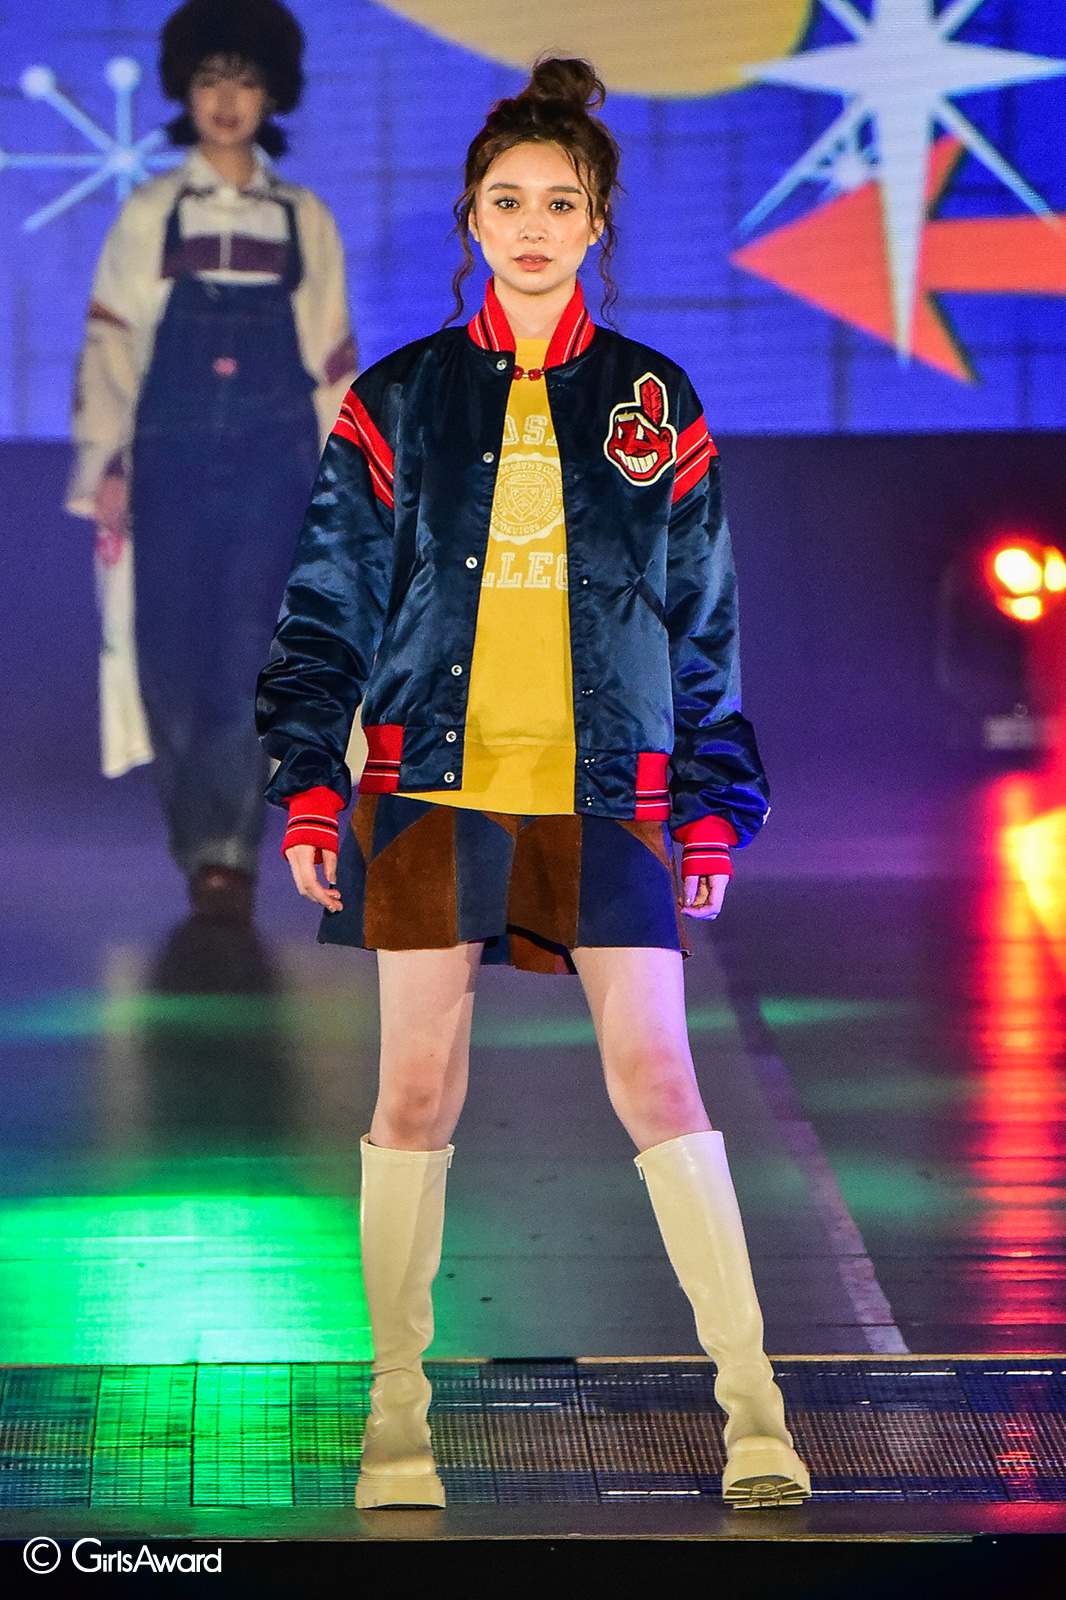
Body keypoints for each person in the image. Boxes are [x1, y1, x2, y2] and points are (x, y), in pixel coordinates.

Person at [256, 58, 810, 1510]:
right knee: (413, 1090)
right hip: (430, 788)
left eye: (560, 204)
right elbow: (326, 607)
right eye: (507, 202)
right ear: (470, 217)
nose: (532, 227)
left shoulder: (651, 399)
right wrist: (310, 781)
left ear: (596, 224)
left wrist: (711, 796)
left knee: (660, 1078)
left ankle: (754, 1409)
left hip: (605, 791)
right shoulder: (399, 399)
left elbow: (702, 618)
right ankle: (396, 1420)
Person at [67, 0, 356, 923]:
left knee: (247, 648)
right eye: (208, 80)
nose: (226, 99)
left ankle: (225, 850)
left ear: (273, 94)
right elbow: (111, 347)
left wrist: (345, 487)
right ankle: (196, 837)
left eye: (244, 80)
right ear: (184, 91)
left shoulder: (304, 217)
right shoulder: (152, 212)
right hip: (170, 455)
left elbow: (332, 362)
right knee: (169, 651)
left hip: (276, 459)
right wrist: (106, 465)